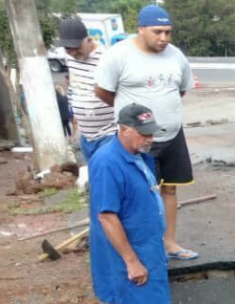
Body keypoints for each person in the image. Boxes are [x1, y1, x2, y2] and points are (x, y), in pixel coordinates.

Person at [88, 103, 188, 304]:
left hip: (149, 246)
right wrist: (131, 261)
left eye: (151, 133)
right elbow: (107, 217)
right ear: (124, 129)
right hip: (131, 251)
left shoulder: (136, 153)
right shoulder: (107, 162)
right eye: (144, 134)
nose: (150, 139)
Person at [95, 5, 198, 260]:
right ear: (140, 29)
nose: (163, 38)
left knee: (170, 189)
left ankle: (169, 244)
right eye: (157, 32)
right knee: (139, 193)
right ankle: (142, 250)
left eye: (168, 32)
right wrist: (131, 120)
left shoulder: (176, 56)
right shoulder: (118, 55)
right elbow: (103, 91)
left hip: (172, 135)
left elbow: (181, 89)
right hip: (138, 140)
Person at [57, 17, 116, 162]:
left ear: (89, 40)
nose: (72, 53)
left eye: (76, 48)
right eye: (67, 49)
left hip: (108, 133)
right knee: (94, 177)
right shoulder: (69, 57)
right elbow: (76, 86)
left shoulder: (107, 58)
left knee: (106, 178)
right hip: (85, 135)